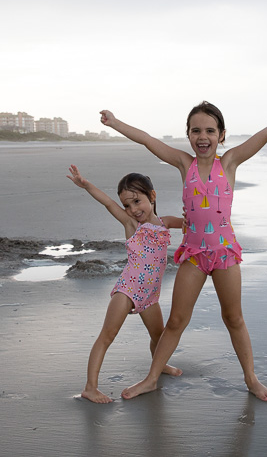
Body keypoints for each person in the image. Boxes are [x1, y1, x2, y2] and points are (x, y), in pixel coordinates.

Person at [100, 101, 267, 401]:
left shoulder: (230, 162)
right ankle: (152, 378)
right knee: (177, 321)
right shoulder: (185, 164)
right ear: (188, 135)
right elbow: (147, 140)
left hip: (224, 253)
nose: (202, 136)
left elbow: (266, 134)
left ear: (221, 135)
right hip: (193, 255)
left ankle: (251, 379)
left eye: (210, 130)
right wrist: (115, 123)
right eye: (196, 131)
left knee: (234, 318)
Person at [67, 165, 184, 403]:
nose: (132, 209)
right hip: (127, 290)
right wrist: (86, 184)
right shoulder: (133, 226)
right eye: (127, 205)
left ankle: (159, 365)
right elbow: (108, 203)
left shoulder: (164, 223)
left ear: (152, 195)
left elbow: (191, 222)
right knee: (107, 335)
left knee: (159, 335)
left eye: (137, 201)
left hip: (150, 295)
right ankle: (90, 387)